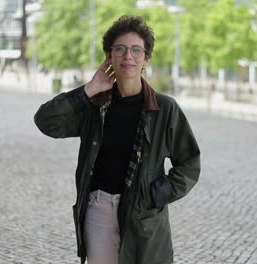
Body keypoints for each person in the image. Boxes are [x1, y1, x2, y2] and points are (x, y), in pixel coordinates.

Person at [34, 15, 200, 264]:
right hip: (98, 212)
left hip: (143, 217)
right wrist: (89, 89)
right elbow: (46, 121)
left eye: (136, 50)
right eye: (119, 49)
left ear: (146, 58)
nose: (128, 56)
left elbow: (189, 163)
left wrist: (154, 195)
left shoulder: (164, 109)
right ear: (109, 56)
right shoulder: (95, 104)